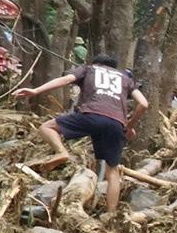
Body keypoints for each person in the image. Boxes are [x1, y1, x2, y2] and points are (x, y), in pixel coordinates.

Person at [14, 54, 148, 214]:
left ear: (96, 63)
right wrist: (128, 126)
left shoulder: (88, 69)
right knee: (112, 172)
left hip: (90, 115)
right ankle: (111, 215)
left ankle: (61, 152)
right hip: (115, 123)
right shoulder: (125, 78)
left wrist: (36, 90)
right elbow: (144, 104)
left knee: (47, 127)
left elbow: (65, 80)